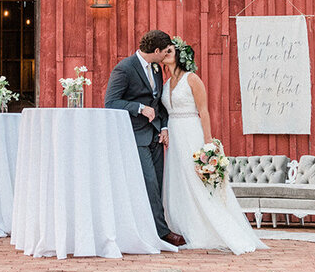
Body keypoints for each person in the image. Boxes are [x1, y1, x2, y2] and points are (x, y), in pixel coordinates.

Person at [160, 36, 266, 253]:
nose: (165, 53)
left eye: (169, 50)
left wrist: (208, 142)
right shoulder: (166, 83)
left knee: (196, 179)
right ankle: (180, 227)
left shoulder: (192, 79)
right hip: (174, 134)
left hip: (191, 130)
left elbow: (204, 110)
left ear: (179, 54)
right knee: (177, 180)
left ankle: (212, 229)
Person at [104, 30, 186, 247]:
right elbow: (110, 102)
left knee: (157, 183)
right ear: (156, 50)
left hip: (156, 135)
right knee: (149, 182)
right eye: (165, 51)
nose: (167, 55)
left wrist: (165, 126)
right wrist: (139, 108)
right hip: (136, 135)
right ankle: (162, 233)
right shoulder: (124, 68)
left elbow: (159, 104)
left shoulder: (157, 69)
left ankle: (152, 228)